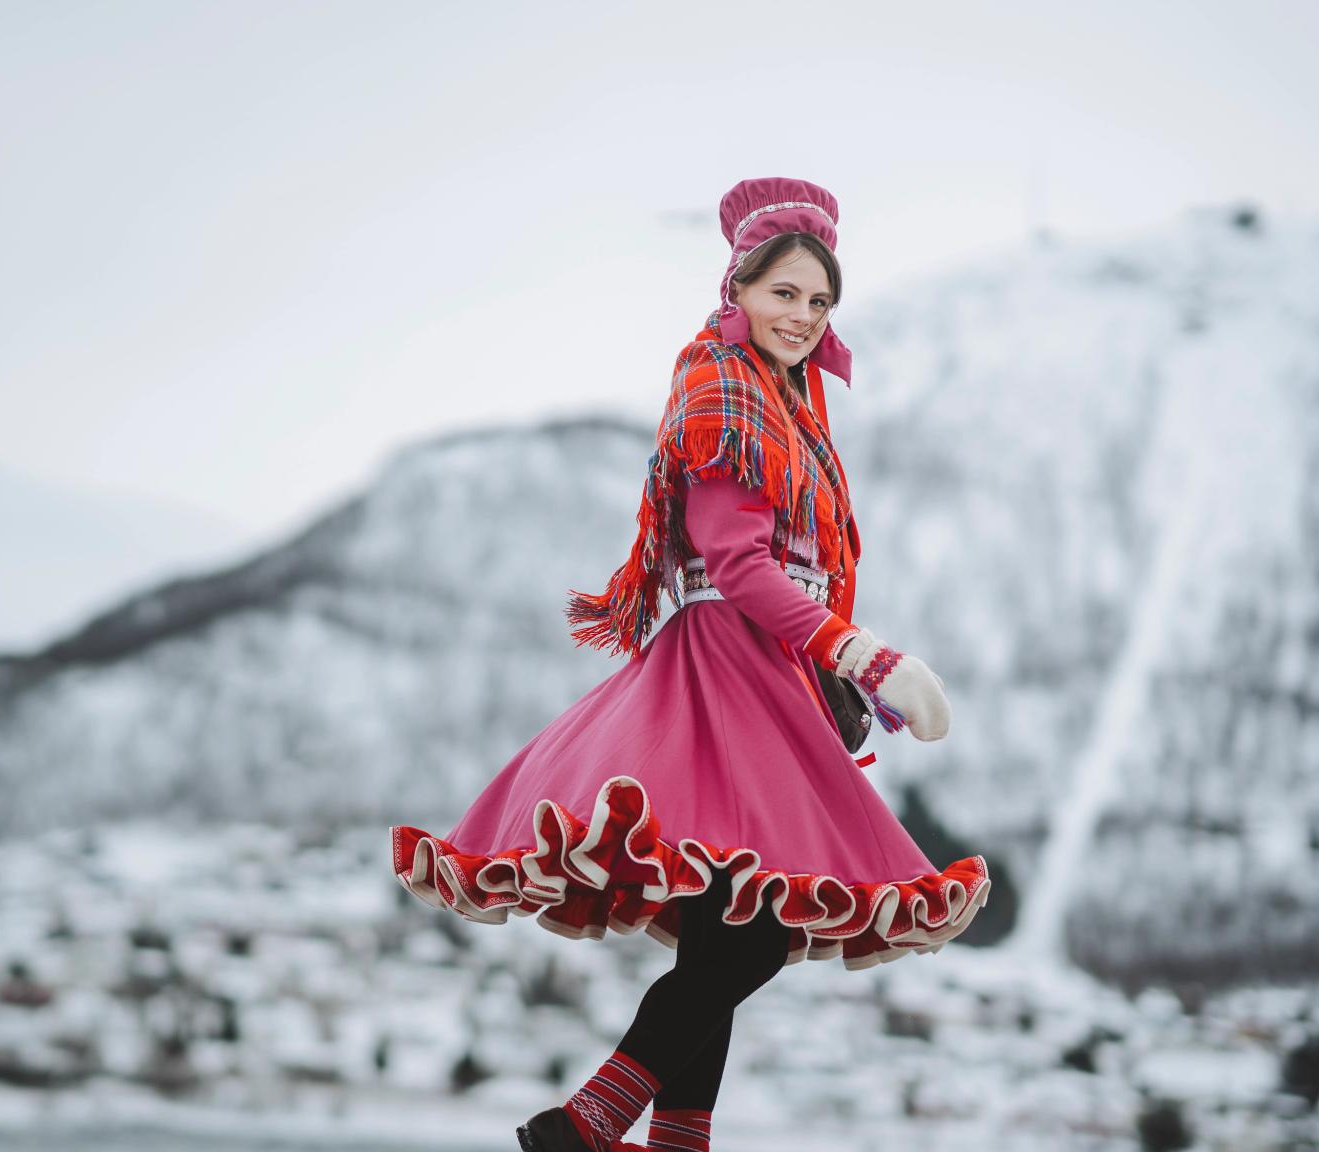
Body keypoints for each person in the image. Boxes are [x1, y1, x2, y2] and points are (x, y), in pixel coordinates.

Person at [386, 177, 992, 1152]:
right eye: (783, 293)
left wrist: (832, 668)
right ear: (738, 288)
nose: (800, 316)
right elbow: (735, 561)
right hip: (725, 674)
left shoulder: (787, 403)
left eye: (818, 301)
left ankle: (656, 1140)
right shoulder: (721, 386)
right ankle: (587, 1126)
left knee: (731, 925)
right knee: (750, 929)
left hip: (767, 673)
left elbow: (779, 566)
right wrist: (864, 658)